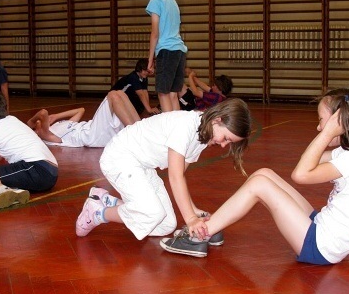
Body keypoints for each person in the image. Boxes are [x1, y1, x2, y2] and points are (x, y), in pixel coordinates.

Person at [160, 87, 349, 263]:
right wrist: (329, 130)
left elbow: (300, 174)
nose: (318, 127)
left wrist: (327, 133)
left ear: (338, 123)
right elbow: (310, 160)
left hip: (322, 246)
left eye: (321, 121)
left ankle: (199, 235)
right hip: (322, 228)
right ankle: (212, 227)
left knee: (259, 185)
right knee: (264, 174)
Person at [75, 98, 253, 242]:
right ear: (217, 120)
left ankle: (107, 201)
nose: (223, 145)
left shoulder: (203, 138)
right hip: (120, 157)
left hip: (142, 166)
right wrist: (191, 219)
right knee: (152, 214)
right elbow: (175, 177)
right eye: (226, 138)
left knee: (165, 224)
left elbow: (179, 174)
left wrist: (193, 210)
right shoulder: (186, 126)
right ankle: (97, 212)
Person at [26, 90, 140, 148]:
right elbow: (43, 113)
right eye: (37, 124)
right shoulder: (47, 136)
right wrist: (31, 122)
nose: (38, 122)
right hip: (91, 136)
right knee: (112, 95)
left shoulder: (57, 126)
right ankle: (136, 134)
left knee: (120, 93)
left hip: (95, 130)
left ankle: (141, 130)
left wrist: (56, 116)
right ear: (37, 132)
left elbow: (81, 110)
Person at [142, 0, 187, 113]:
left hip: (166, 51)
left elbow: (155, 33)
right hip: (179, 51)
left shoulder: (156, 1)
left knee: (163, 93)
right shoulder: (172, 1)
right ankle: (177, 126)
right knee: (173, 94)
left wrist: (150, 59)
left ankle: (168, 126)